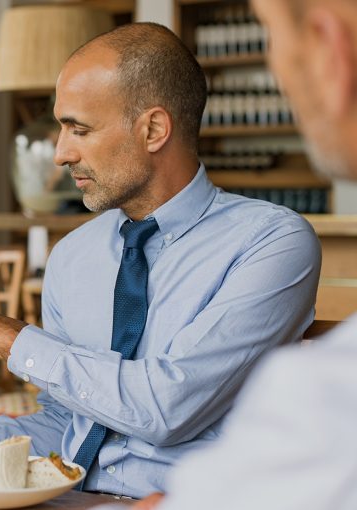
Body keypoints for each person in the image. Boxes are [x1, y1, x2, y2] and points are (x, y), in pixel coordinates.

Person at [0, 23, 322, 498]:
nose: (59, 154)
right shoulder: (73, 255)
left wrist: (8, 337)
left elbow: (166, 409)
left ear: (153, 129)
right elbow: (70, 427)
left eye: (79, 129)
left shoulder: (271, 242)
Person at [129, 1, 357, 509]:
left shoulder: (317, 396)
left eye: (272, 36)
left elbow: (170, 406)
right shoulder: (79, 254)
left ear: (329, 54)